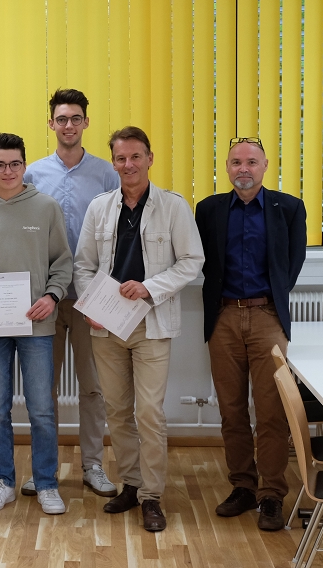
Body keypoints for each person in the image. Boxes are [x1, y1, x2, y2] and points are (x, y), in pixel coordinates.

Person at [74, 126, 204, 532]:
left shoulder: (173, 206)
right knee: (116, 410)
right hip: (107, 325)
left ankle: (151, 495)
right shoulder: (99, 208)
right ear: (113, 163)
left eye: (135, 156)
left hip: (151, 322)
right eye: (120, 158)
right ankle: (130, 484)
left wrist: (150, 287)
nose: (128, 164)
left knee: (148, 412)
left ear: (149, 158)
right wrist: (90, 306)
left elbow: (191, 261)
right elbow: (83, 265)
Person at [195, 137, 307, 531]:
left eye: (251, 162)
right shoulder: (208, 209)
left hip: (267, 317)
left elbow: (293, 262)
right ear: (227, 167)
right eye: (236, 162)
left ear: (265, 166)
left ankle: (271, 494)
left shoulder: (288, 208)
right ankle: (243, 486)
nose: (244, 168)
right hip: (224, 317)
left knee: (272, 411)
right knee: (231, 410)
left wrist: (268, 302)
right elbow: (202, 260)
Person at [0, 133, 72, 515]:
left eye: (14, 163)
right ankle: (3, 481)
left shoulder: (46, 207)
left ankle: (46, 483)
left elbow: (62, 263)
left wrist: (51, 296)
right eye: (0, 164)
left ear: (24, 166)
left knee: (41, 409)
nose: (7, 171)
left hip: (36, 325)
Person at [22, 88, 120, 499]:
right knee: (42, 388)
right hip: (44, 297)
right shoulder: (31, 175)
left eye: (75, 118)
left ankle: (93, 465)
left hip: (90, 297)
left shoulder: (107, 174)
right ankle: (43, 469)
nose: (68, 125)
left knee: (93, 386)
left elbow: (118, 232)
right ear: (51, 123)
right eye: (61, 119)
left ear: (85, 123)